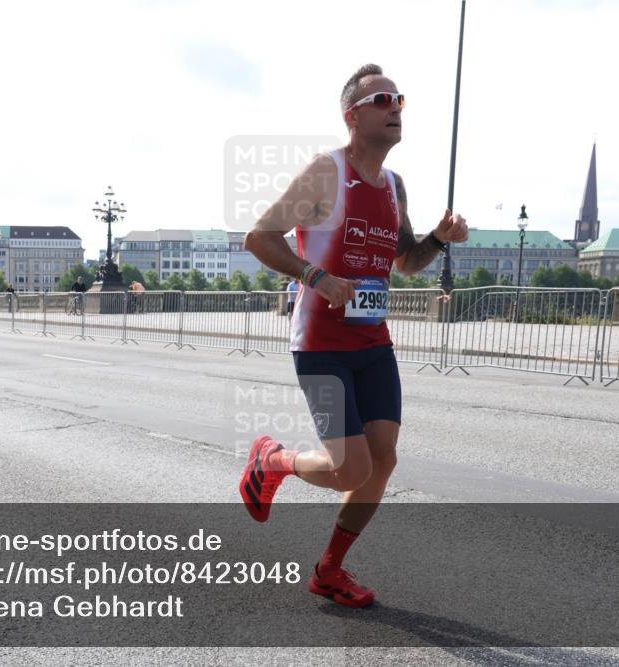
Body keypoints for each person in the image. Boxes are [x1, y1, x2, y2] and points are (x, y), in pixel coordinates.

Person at [239, 64, 468, 608]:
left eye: (399, 100)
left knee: (383, 461)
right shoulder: (326, 172)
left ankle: (329, 570)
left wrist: (438, 238)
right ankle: (272, 460)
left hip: (373, 343)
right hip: (320, 346)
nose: (394, 108)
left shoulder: (394, 186)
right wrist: (314, 276)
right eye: (381, 100)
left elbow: (406, 261)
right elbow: (259, 236)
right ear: (352, 116)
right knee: (351, 469)